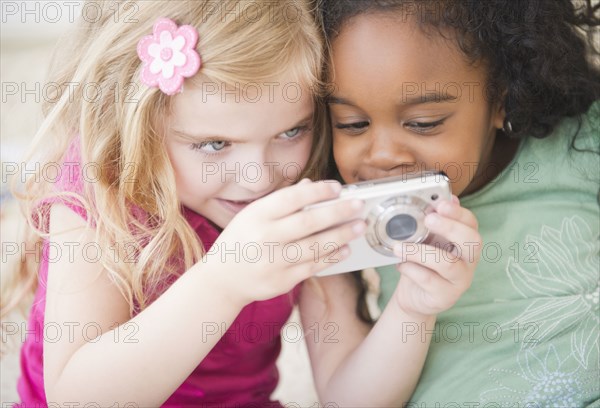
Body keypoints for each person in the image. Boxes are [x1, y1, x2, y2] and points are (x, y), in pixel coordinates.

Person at [1, 0, 478, 406]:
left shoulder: (301, 193)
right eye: (213, 144)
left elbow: (347, 393)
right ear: (141, 127)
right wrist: (224, 282)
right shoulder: (102, 187)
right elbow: (77, 396)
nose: (258, 178)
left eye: (290, 131)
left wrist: (413, 310)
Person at [319, 0, 600, 405]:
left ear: (502, 98)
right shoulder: (341, 218)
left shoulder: (582, 146)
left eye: (423, 123)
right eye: (352, 124)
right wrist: (413, 309)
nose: (382, 155)